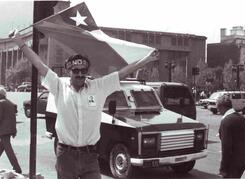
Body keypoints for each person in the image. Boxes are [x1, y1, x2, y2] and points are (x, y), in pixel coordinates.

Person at [10, 30, 156, 179]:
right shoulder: (59, 86)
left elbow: (122, 73)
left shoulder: (98, 87)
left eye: (83, 71)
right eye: (76, 71)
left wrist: (146, 60)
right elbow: (39, 64)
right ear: (69, 72)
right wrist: (20, 43)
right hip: (65, 156)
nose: (80, 74)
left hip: (90, 157)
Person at [217, 94, 245, 178]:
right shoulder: (242, 118)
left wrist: (223, 168)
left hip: (233, 162)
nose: (218, 110)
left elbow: (226, 147)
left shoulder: (226, 121)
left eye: (218, 107)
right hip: (244, 158)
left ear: (222, 107)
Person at [0, 86, 22, 174]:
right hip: (9, 129)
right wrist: (14, 130)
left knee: (8, 149)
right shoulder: (9, 103)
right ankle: (17, 167)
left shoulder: (1, 103)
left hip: (3, 130)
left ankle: (17, 168)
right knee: (2, 147)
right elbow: (13, 118)